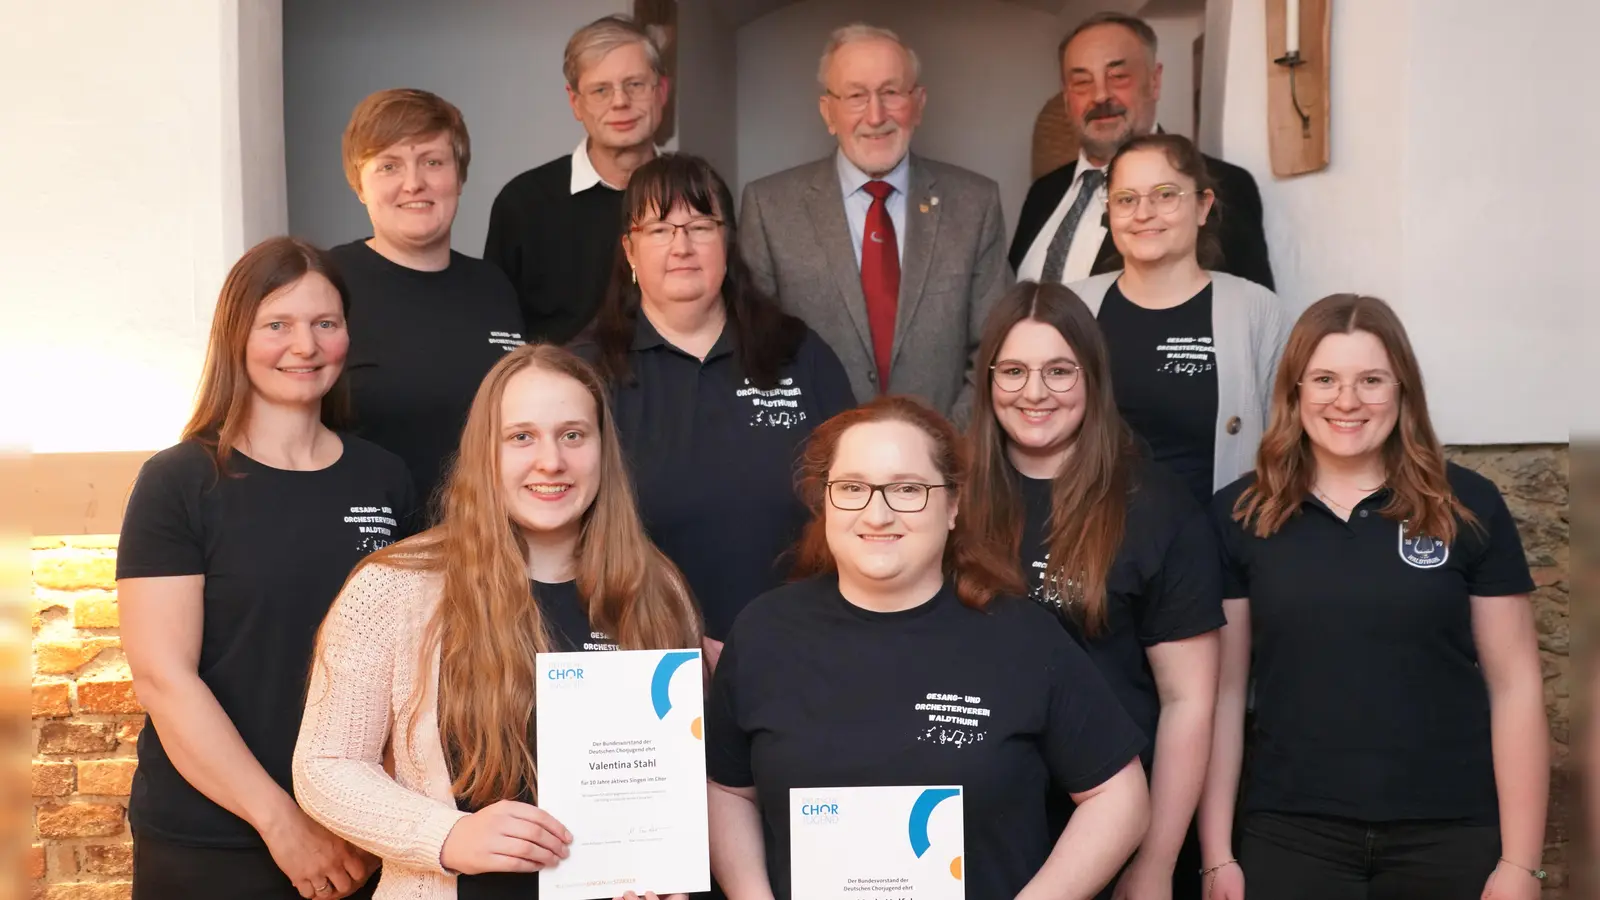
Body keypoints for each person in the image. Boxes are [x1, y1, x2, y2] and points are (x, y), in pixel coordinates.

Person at [293, 344, 700, 900]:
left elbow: (677, 781)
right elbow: (326, 765)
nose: (551, 461)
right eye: (521, 437)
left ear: (604, 450)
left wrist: (656, 872)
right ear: (485, 451)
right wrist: (446, 835)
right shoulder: (394, 587)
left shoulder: (658, 589)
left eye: (573, 435)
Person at [706, 396, 1152, 900]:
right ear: (825, 501)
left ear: (953, 504)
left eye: (907, 489)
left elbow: (1120, 796)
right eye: (852, 488)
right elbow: (727, 791)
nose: (877, 514)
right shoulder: (764, 632)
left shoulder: (1023, 637)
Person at [1200, 294, 1550, 900]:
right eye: (1325, 379)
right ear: (1293, 391)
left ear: (1402, 390)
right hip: (1291, 832)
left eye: (1371, 380)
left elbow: (1516, 687)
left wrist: (1522, 864)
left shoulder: (1467, 505)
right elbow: (1223, 696)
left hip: (1451, 831)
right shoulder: (1241, 513)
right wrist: (1215, 855)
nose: (1347, 401)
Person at [117, 237, 414, 900]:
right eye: (277, 324)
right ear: (236, 337)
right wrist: (282, 825)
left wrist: (371, 816)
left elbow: (413, 669)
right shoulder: (179, 481)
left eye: (325, 323)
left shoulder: (386, 478)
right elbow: (164, 678)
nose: (304, 346)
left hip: (357, 840)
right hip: (211, 842)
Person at [964, 281, 1223, 900]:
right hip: (969, 834)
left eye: (1059, 371)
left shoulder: (1157, 507)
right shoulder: (947, 497)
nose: (1034, 392)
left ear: (1093, 377)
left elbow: (1188, 701)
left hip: (1112, 831)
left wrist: (1155, 861)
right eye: (1014, 371)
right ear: (988, 380)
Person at [575, 153, 856, 660]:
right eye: (659, 229)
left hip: (800, 650)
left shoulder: (798, 353)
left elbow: (858, 496)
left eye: (700, 226)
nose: (681, 246)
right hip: (644, 658)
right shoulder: (585, 374)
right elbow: (561, 535)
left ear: (727, 240)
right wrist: (677, 639)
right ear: (629, 250)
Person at [739, 23, 1011, 423]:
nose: (876, 115)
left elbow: (997, 347)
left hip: (945, 452)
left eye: (891, 92)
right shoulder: (769, 207)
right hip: (813, 453)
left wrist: (948, 445)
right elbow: (757, 352)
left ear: (918, 103)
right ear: (828, 112)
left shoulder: (975, 204)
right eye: (855, 96)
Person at [332, 88, 526, 519]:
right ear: (358, 184)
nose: (413, 183)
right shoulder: (328, 284)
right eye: (389, 165)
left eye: (433, 162)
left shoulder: (493, 286)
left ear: (459, 177)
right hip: (373, 545)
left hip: (489, 540)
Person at [1067, 133, 1289, 506]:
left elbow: (1289, 444)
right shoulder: (1072, 308)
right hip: (1094, 533)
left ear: (1203, 207)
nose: (1143, 213)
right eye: (1126, 199)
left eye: (1165, 194)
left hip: (1217, 536)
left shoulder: (1256, 311)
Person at [1010, 12, 1274, 291]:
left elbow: (1252, 311)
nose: (1100, 95)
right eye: (1082, 82)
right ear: (1066, 98)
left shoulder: (1219, 187)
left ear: (1154, 82)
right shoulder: (1042, 194)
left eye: (1118, 76)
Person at [484, 15, 669, 343]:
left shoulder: (700, 194)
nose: (620, 101)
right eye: (600, 90)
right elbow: (499, 334)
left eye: (635, 84)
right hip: (557, 376)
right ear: (575, 102)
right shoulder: (523, 203)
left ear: (661, 91)